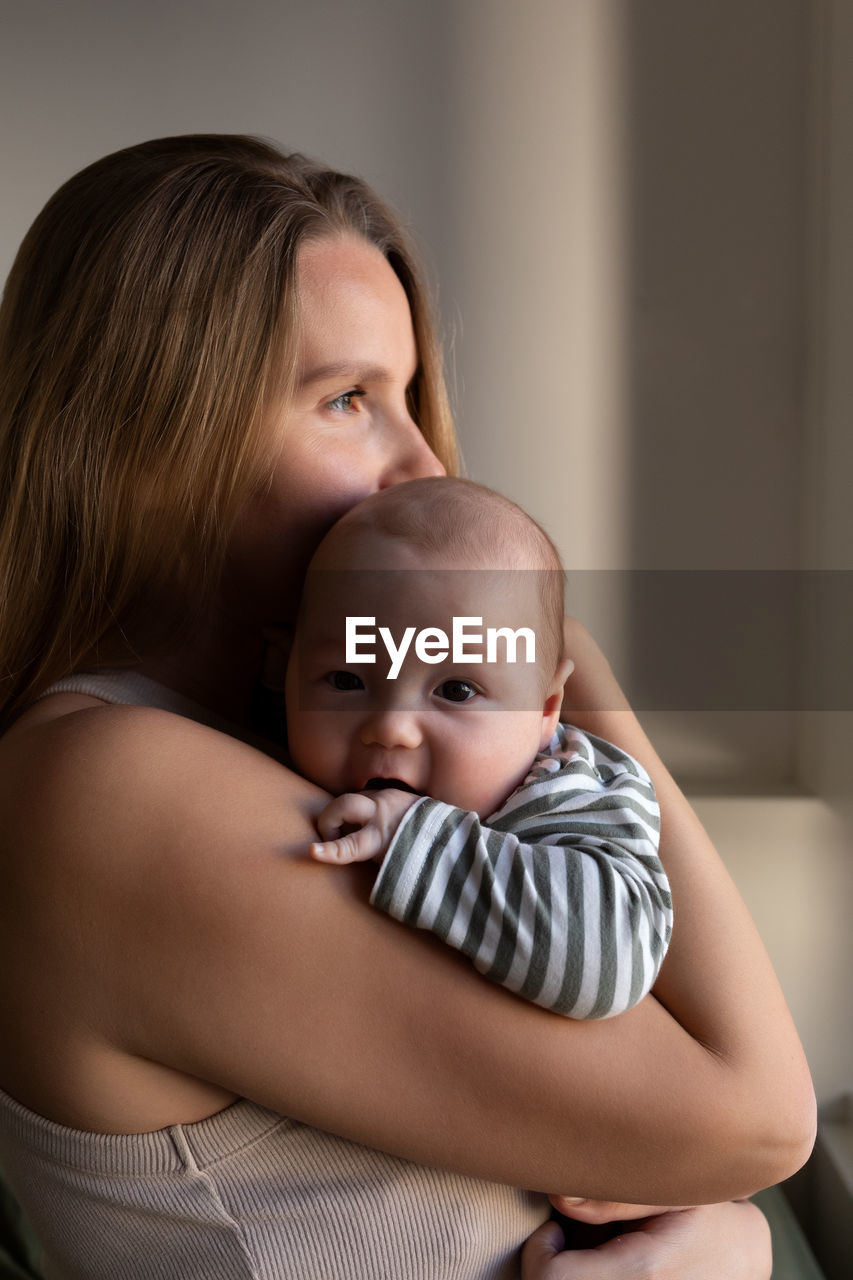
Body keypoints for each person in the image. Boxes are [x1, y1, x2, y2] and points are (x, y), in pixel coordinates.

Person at [0, 134, 813, 1280]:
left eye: (410, 396)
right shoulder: (112, 785)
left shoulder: (293, 749)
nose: (424, 466)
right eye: (348, 399)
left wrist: (721, 1234)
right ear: (147, 434)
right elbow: (758, 1113)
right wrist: (556, 647)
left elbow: (707, 1140)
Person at [286, 475, 672, 1021]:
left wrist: (415, 838)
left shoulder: (568, 792)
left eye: (456, 690)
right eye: (346, 679)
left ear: (545, 710)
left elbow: (612, 963)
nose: (392, 728)